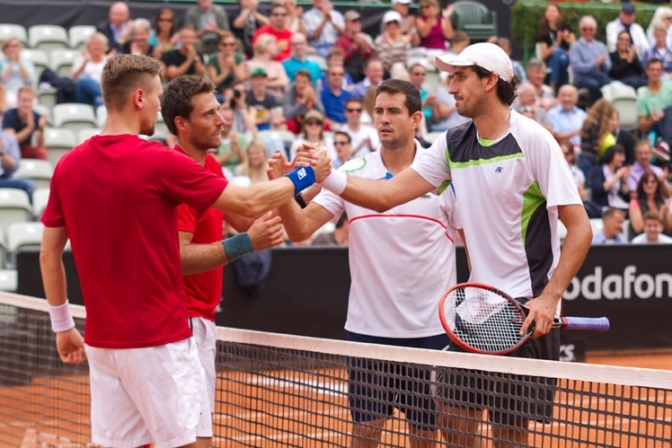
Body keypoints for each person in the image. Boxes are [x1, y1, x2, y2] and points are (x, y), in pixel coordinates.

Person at [307, 43, 592, 447]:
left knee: (510, 437)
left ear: (490, 81)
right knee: (455, 423)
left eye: (460, 78)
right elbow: (387, 196)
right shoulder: (452, 143)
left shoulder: (534, 141)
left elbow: (580, 229)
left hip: (523, 310)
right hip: (474, 309)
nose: (451, 87)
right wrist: (329, 177)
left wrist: (550, 298)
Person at [39, 54, 328, 448]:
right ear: (139, 97)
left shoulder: (68, 165)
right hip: (158, 338)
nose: (160, 106)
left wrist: (62, 326)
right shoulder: (158, 160)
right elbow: (245, 204)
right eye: (157, 96)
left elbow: (48, 253)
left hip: (102, 342)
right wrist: (308, 174)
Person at [269, 79, 462, 447]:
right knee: (366, 433)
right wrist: (282, 190)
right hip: (368, 332)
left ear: (416, 118)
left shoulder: (442, 175)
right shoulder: (352, 171)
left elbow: (471, 238)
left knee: (425, 435)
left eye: (394, 111)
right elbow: (301, 228)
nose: (383, 119)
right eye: (379, 111)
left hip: (431, 332)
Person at [160, 76, 284, 444]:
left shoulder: (210, 167)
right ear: (182, 124)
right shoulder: (179, 173)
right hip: (179, 324)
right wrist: (245, 243)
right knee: (194, 439)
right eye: (210, 113)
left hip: (199, 319)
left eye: (220, 110)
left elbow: (247, 219)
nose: (222, 120)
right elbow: (176, 259)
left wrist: (286, 184)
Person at [570, 16, 612, 105]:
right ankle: (596, 113)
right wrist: (594, 64)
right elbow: (577, 67)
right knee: (594, 86)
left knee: (614, 84)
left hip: (600, 77)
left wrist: (602, 63)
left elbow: (608, 67)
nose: (588, 32)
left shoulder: (601, 46)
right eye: (585, 29)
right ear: (580, 30)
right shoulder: (575, 46)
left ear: (595, 31)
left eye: (591, 29)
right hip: (582, 79)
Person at [637, 58, 672, 158]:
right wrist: (652, 120)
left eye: (657, 70)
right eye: (652, 70)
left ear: (661, 71)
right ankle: (665, 145)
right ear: (647, 71)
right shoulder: (643, 96)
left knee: (669, 111)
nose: (655, 73)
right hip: (655, 126)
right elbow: (642, 126)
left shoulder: (670, 87)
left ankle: (666, 145)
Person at [2, 86, 48, 160]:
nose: (27, 104)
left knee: (41, 152)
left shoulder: (36, 116)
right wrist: (29, 128)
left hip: (26, 149)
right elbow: (11, 142)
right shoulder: (9, 115)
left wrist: (41, 128)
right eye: (24, 101)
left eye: (30, 101)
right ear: (18, 101)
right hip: (10, 151)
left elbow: (40, 145)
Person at [536, 4, 574, 92]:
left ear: (558, 14)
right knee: (560, 57)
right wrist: (557, 43)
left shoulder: (565, 27)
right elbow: (544, 55)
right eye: (548, 11)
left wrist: (565, 38)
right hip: (551, 61)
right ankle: (565, 88)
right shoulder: (543, 32)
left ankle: (553, 84)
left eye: (553, 11)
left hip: (568, 56)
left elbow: (574, 44)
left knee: (561, 57)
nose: (550, 13)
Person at [579, 99, 618, 178]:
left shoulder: (588, 122)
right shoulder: (594, 125)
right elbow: (595, 147)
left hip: (584, 158)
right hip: (588, 160)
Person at [71, 33, 110, 109]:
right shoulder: (82, 60)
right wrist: (85, 61)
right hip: (84, 96)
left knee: (99, 100)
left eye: (99, 44)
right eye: (94, 44)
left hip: (100, 96)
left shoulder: (108, 61)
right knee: (82, 78)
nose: (97, 47)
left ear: (104, 47)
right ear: (88, 47)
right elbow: (75, 79)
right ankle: (105, 95)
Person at [588, 144, 631, 213]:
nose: (623, 159)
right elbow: (598, 190)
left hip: (618, 203)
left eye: (623, 156)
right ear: (611, 156)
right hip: (602, 206)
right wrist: (617, 176)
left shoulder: (618, 171)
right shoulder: (598, 170)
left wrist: (624, 180)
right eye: (620, 156)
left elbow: (625, 194)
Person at [628, 171, 671, 238]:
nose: (649, 184)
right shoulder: (634, 202)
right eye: (646, 182)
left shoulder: (662, 202)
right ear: (641, 185)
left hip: (660, 240)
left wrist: (665, 215)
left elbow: (669, 228)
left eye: (653, 182)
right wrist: (660, 215)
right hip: (641, 241)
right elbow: (638, 228)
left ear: (657, 184)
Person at [335, 10, 374, 84]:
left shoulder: (364, 38)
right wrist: (354, 46)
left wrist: (365, 48)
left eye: (359, 21)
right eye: (354, 21)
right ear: (346, 24)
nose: (357, 24)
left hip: (363, 70)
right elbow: (341, 58)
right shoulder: (341, 40)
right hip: (348, 70)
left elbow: (371, 58)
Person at [207, 31, 247, 101]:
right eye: (224, 45)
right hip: (218, 93)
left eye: (231, 44)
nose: (228, 47)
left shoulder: (239, 58)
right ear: (219, 45)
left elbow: (241, 79)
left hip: (235, 92)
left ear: (236, 46)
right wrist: (226, 71)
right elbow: (213, 83)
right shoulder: (212, 59)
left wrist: (233, 65)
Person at [212, 104, 248, 177]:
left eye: (229, 119)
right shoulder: (211, 138)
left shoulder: (241, 138)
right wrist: (232, 152)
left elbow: (245, 162)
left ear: (233, 120)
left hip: (238, 175)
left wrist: (237, 147)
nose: (225, 123)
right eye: (223, 119)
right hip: (217, 175)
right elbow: (213, 162)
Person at [0, 38, 35, 110]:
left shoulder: (27, 63)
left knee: (29, 100)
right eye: (8, 47)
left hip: (23, 91)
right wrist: (12, 62)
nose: (11, 49)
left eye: (14, 46)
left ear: (19, 48)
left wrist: (19, 63)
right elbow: (2, 79)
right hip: (6, 92)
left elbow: (29, 80)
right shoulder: (2, 63)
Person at [375, 11, 412, 78]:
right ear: (385, 25)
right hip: (385, 73)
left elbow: (403, 61)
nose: (392, 25)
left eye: (395, 23)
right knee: (397, 67)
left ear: (399, 24)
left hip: (400, 70)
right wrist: (391, 44)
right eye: (389, 23)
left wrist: (390, 47)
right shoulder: (379, 40)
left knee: (398, 67)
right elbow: (385, 64)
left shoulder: (404, 40)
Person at [0, 130, 35, 200]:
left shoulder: (9, 139)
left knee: (29, 185)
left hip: (3, 178)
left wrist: (1, 152)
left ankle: (30, 210)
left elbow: (14, 167)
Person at [246, 67, 281, 132]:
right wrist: (262, 119)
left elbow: (274, 118)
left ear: (266, 80)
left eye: (262, 79)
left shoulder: (271, 98)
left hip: (267, 128)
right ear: (251, 80)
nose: (260, 82)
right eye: (257, 79)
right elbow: (248, 122)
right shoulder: (247, 96)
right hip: (250, 129)